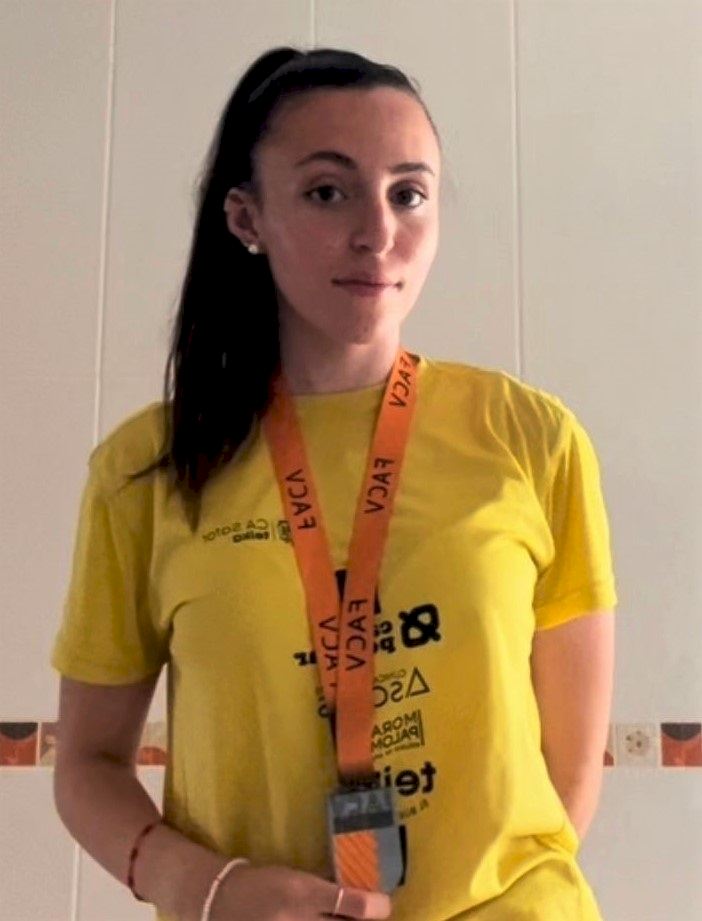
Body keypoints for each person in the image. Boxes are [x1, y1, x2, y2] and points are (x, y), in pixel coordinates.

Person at [50, 46, 618, 921]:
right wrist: (203, 886)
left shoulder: (531, 437)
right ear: (246, 216)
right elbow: (87, 765)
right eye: (327, 191)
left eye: (409, 194)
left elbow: (568, 777)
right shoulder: (146, 470)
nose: (377, 232)